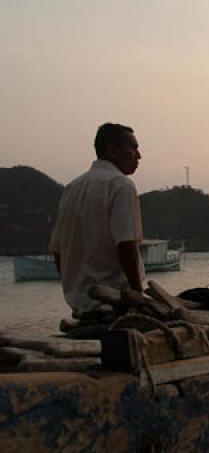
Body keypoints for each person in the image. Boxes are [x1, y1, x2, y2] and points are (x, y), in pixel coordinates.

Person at [49, 122, 144, 317]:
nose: (139, 155)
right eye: (133, 148)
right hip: (116, 303)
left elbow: (58, 252)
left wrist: (73, 288)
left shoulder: (71, 188)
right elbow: (126, 245)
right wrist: (138, 297)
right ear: (111, 150)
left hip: (80, 307)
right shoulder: (121, 185)